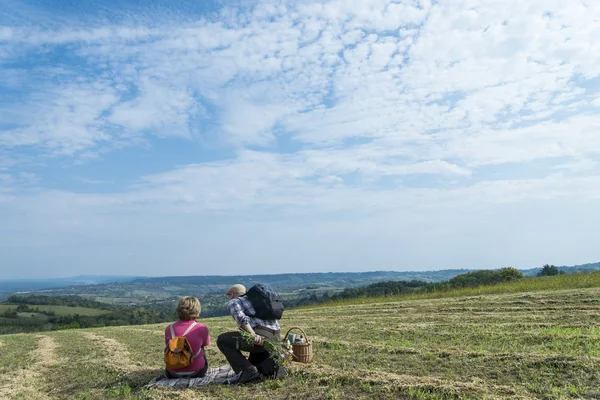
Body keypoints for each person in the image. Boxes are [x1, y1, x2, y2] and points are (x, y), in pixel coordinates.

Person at [217, 284, 281, 384]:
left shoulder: (234, 302)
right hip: (276, 336)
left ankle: (247, 371)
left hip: (260, 337)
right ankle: (258, 370)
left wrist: (253, 335)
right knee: (253, 359)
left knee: (222, 340)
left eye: (229, 295)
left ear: (232, 294)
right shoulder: (257, 301)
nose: (229, 298)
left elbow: (242, 320)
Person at [164, 296, 211, 378]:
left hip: (172, 373)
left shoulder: (169, 328)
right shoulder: (201, 328)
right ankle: (194, 365)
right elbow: (206, 343)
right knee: (201, 347)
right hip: (196, 372)